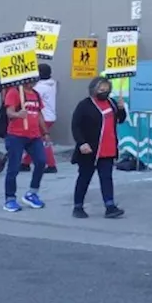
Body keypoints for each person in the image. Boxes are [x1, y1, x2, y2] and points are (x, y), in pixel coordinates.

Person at [69, 76, 127, 219]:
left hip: (108, 148)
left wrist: (121, 109)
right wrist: (81, 143)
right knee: (84, 178)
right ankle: (78, 206)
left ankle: (110, 206)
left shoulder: (111, 103)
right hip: (90, 149)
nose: (104, 92)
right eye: (101, 89)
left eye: (107, 89)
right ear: (94, 89)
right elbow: (75, 125)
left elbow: (120, 119)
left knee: (106, 178)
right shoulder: (85, 105)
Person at [2, 80, 48, 213]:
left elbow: (39, 114)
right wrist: (18, 115)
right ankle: (10, 199)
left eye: (34, 80)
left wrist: (45, 132)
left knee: (41, 161)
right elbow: (9, 112)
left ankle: (32, 193)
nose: (32, 83)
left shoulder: (36, 94)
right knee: (14, 168)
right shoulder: (14, 92)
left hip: (34, 136)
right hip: (16, 135)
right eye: (30, 80)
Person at [27, 62, 58, 174]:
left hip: (42, 116)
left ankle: (51, 164)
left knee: (42, 141)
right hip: (50, 116)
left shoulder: (40, 87)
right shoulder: (52, 84)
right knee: (35, 139)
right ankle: (25, 163)